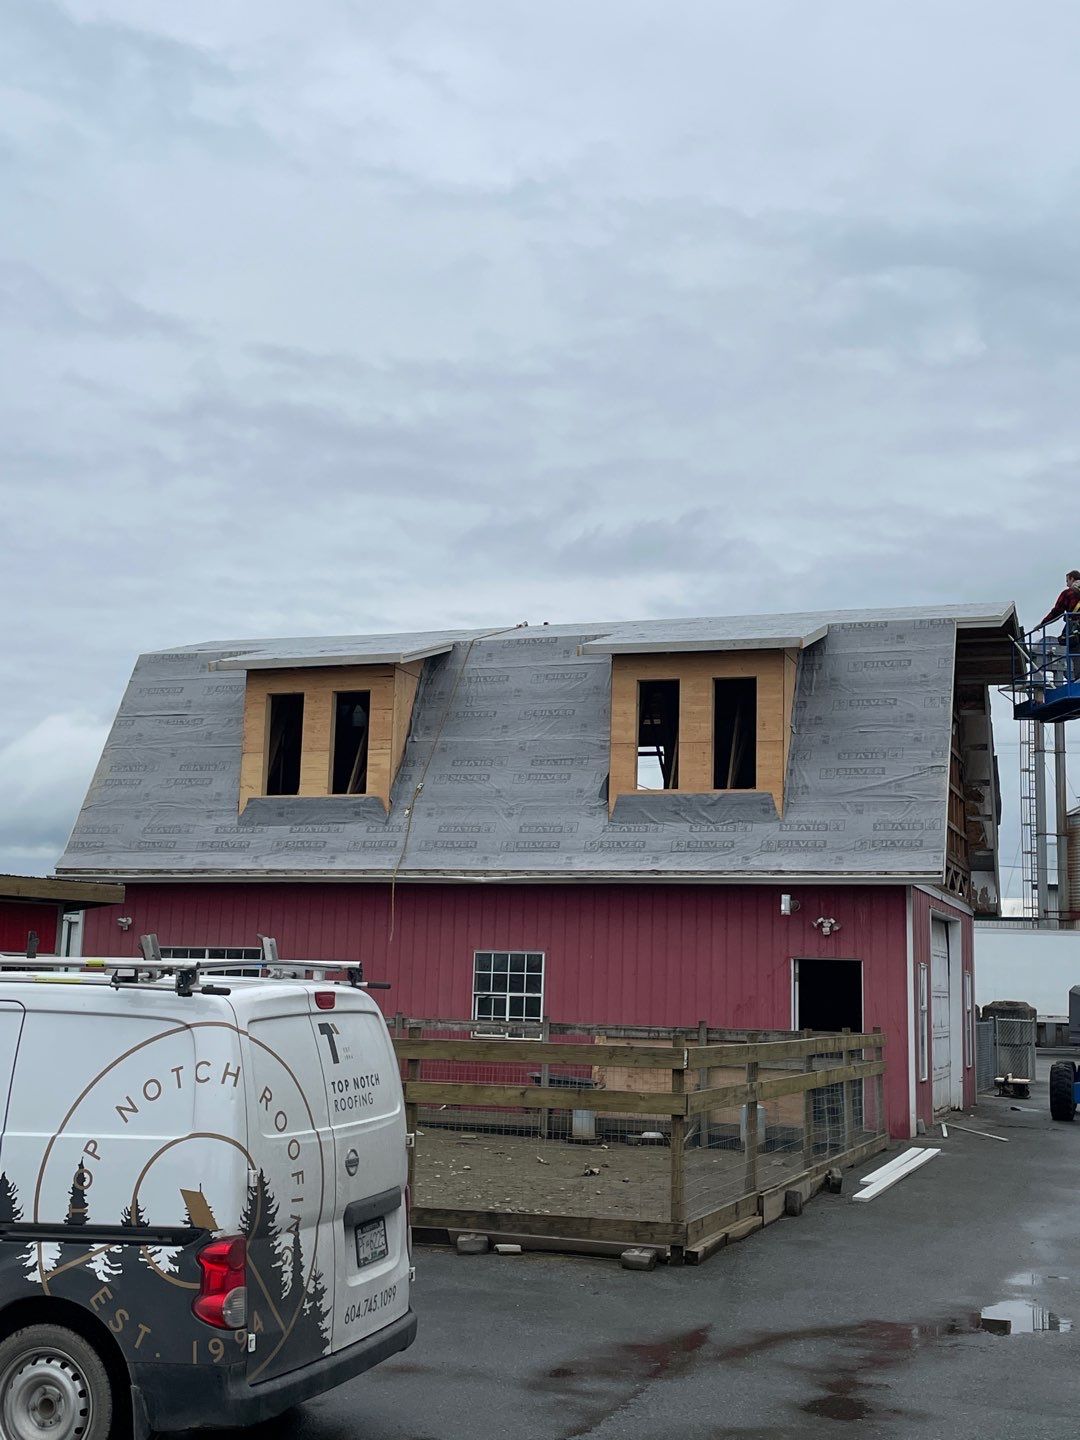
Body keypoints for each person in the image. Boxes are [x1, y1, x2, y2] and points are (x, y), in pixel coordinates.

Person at [1035, 570, 1080, 684]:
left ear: (1071, 579)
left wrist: (1043, 623)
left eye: (1067, 581)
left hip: (1076, 631)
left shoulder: (1068, 593)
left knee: (1075, 652)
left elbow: (1057, 611)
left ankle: (1079, 678)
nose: (1066, 584)